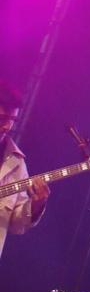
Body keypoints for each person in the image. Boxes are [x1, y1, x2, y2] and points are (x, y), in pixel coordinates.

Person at [0, 79, 48, 266]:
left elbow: (16, 226)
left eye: (11, 120)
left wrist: (36, 205)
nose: (6, 127)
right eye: (2, 119)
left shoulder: (16, 162)